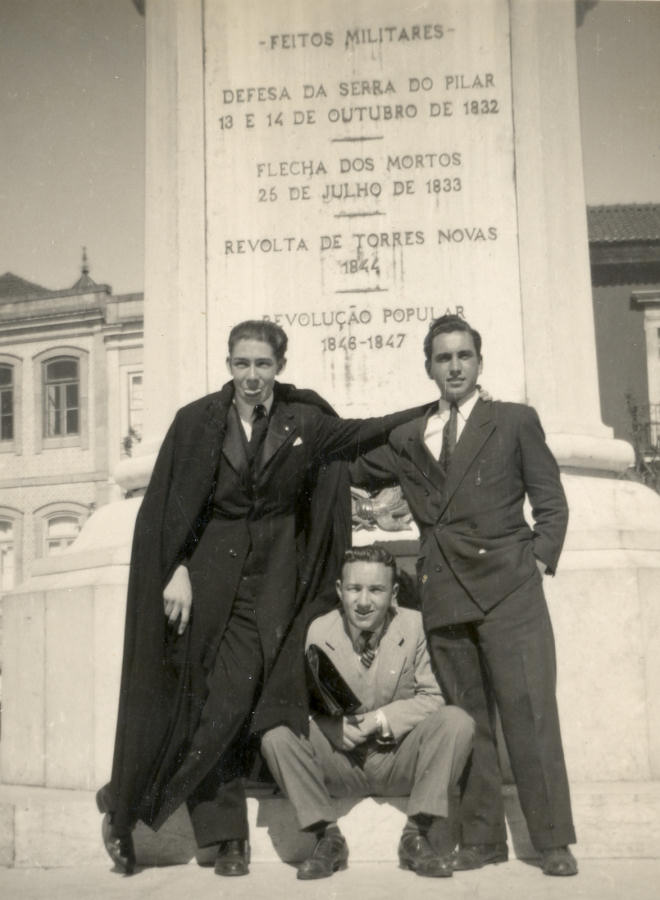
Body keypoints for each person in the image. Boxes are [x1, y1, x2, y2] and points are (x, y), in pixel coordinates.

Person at [97, 320, 430, 878]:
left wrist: (435, 407)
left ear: (280, 366)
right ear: (229, 364)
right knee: (207, 701)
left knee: (234, 701)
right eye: (241, 364)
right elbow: (170, 507)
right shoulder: (198, 420)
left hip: (275, 583)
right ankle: (217, 833)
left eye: (263, 365)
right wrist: (175, 568)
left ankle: (129, 803)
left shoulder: (303, 420)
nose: (251, 376)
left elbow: (365, 431)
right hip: (208, 581)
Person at [350, 314, 578, 877]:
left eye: (463, 356)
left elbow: (552, 504)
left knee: (529, 713)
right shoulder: (409, 437)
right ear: (429, 367)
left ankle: (552, 841)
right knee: (466, 720)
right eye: (443, 358)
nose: (454, 366)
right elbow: (349, 465)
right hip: (445, 593)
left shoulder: (514, 420)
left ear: (479, 361)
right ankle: (482, 839)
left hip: (511, 593)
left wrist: (534, 564)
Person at [261, 545, 474, 880]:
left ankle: (416, 835)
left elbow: (433, 697)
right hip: (341, 761)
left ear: (394, 593)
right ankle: (327, 837)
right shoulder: (319, 631)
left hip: (397, 757)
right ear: (339, 590)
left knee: (457, 722)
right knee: (276, 737)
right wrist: (330, 726)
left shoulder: (414, 626)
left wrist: (379, 720)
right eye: (354, 589)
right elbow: (303, 701)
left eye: (375, 590)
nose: (363, 602)